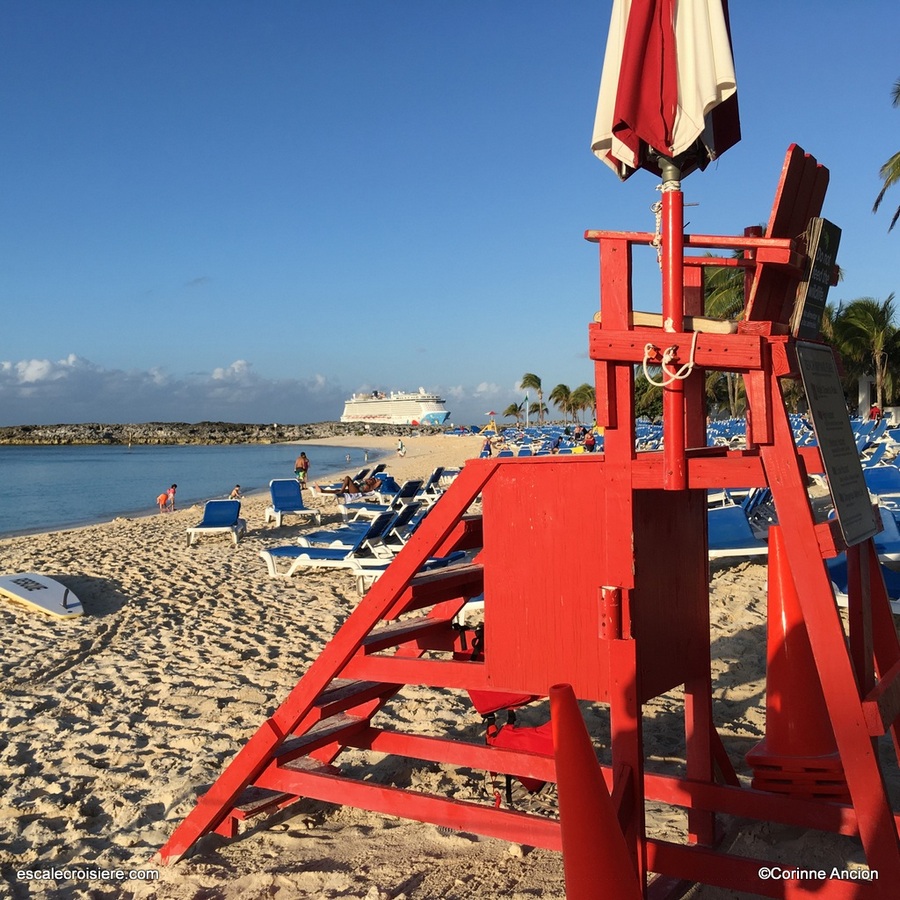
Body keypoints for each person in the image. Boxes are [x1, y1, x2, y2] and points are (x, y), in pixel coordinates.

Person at [314, 475, 381, 496]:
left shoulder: (371, 487)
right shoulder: (365, 483)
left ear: (373, 483)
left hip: (356, 492)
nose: (369, 480)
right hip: (355, 489)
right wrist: (367, 480)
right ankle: (322, 491)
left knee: (347, 478)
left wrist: (375, 480)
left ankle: (341, 492)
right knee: (337, 490)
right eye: (370, 479)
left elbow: (379, 481)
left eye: (371, 480)